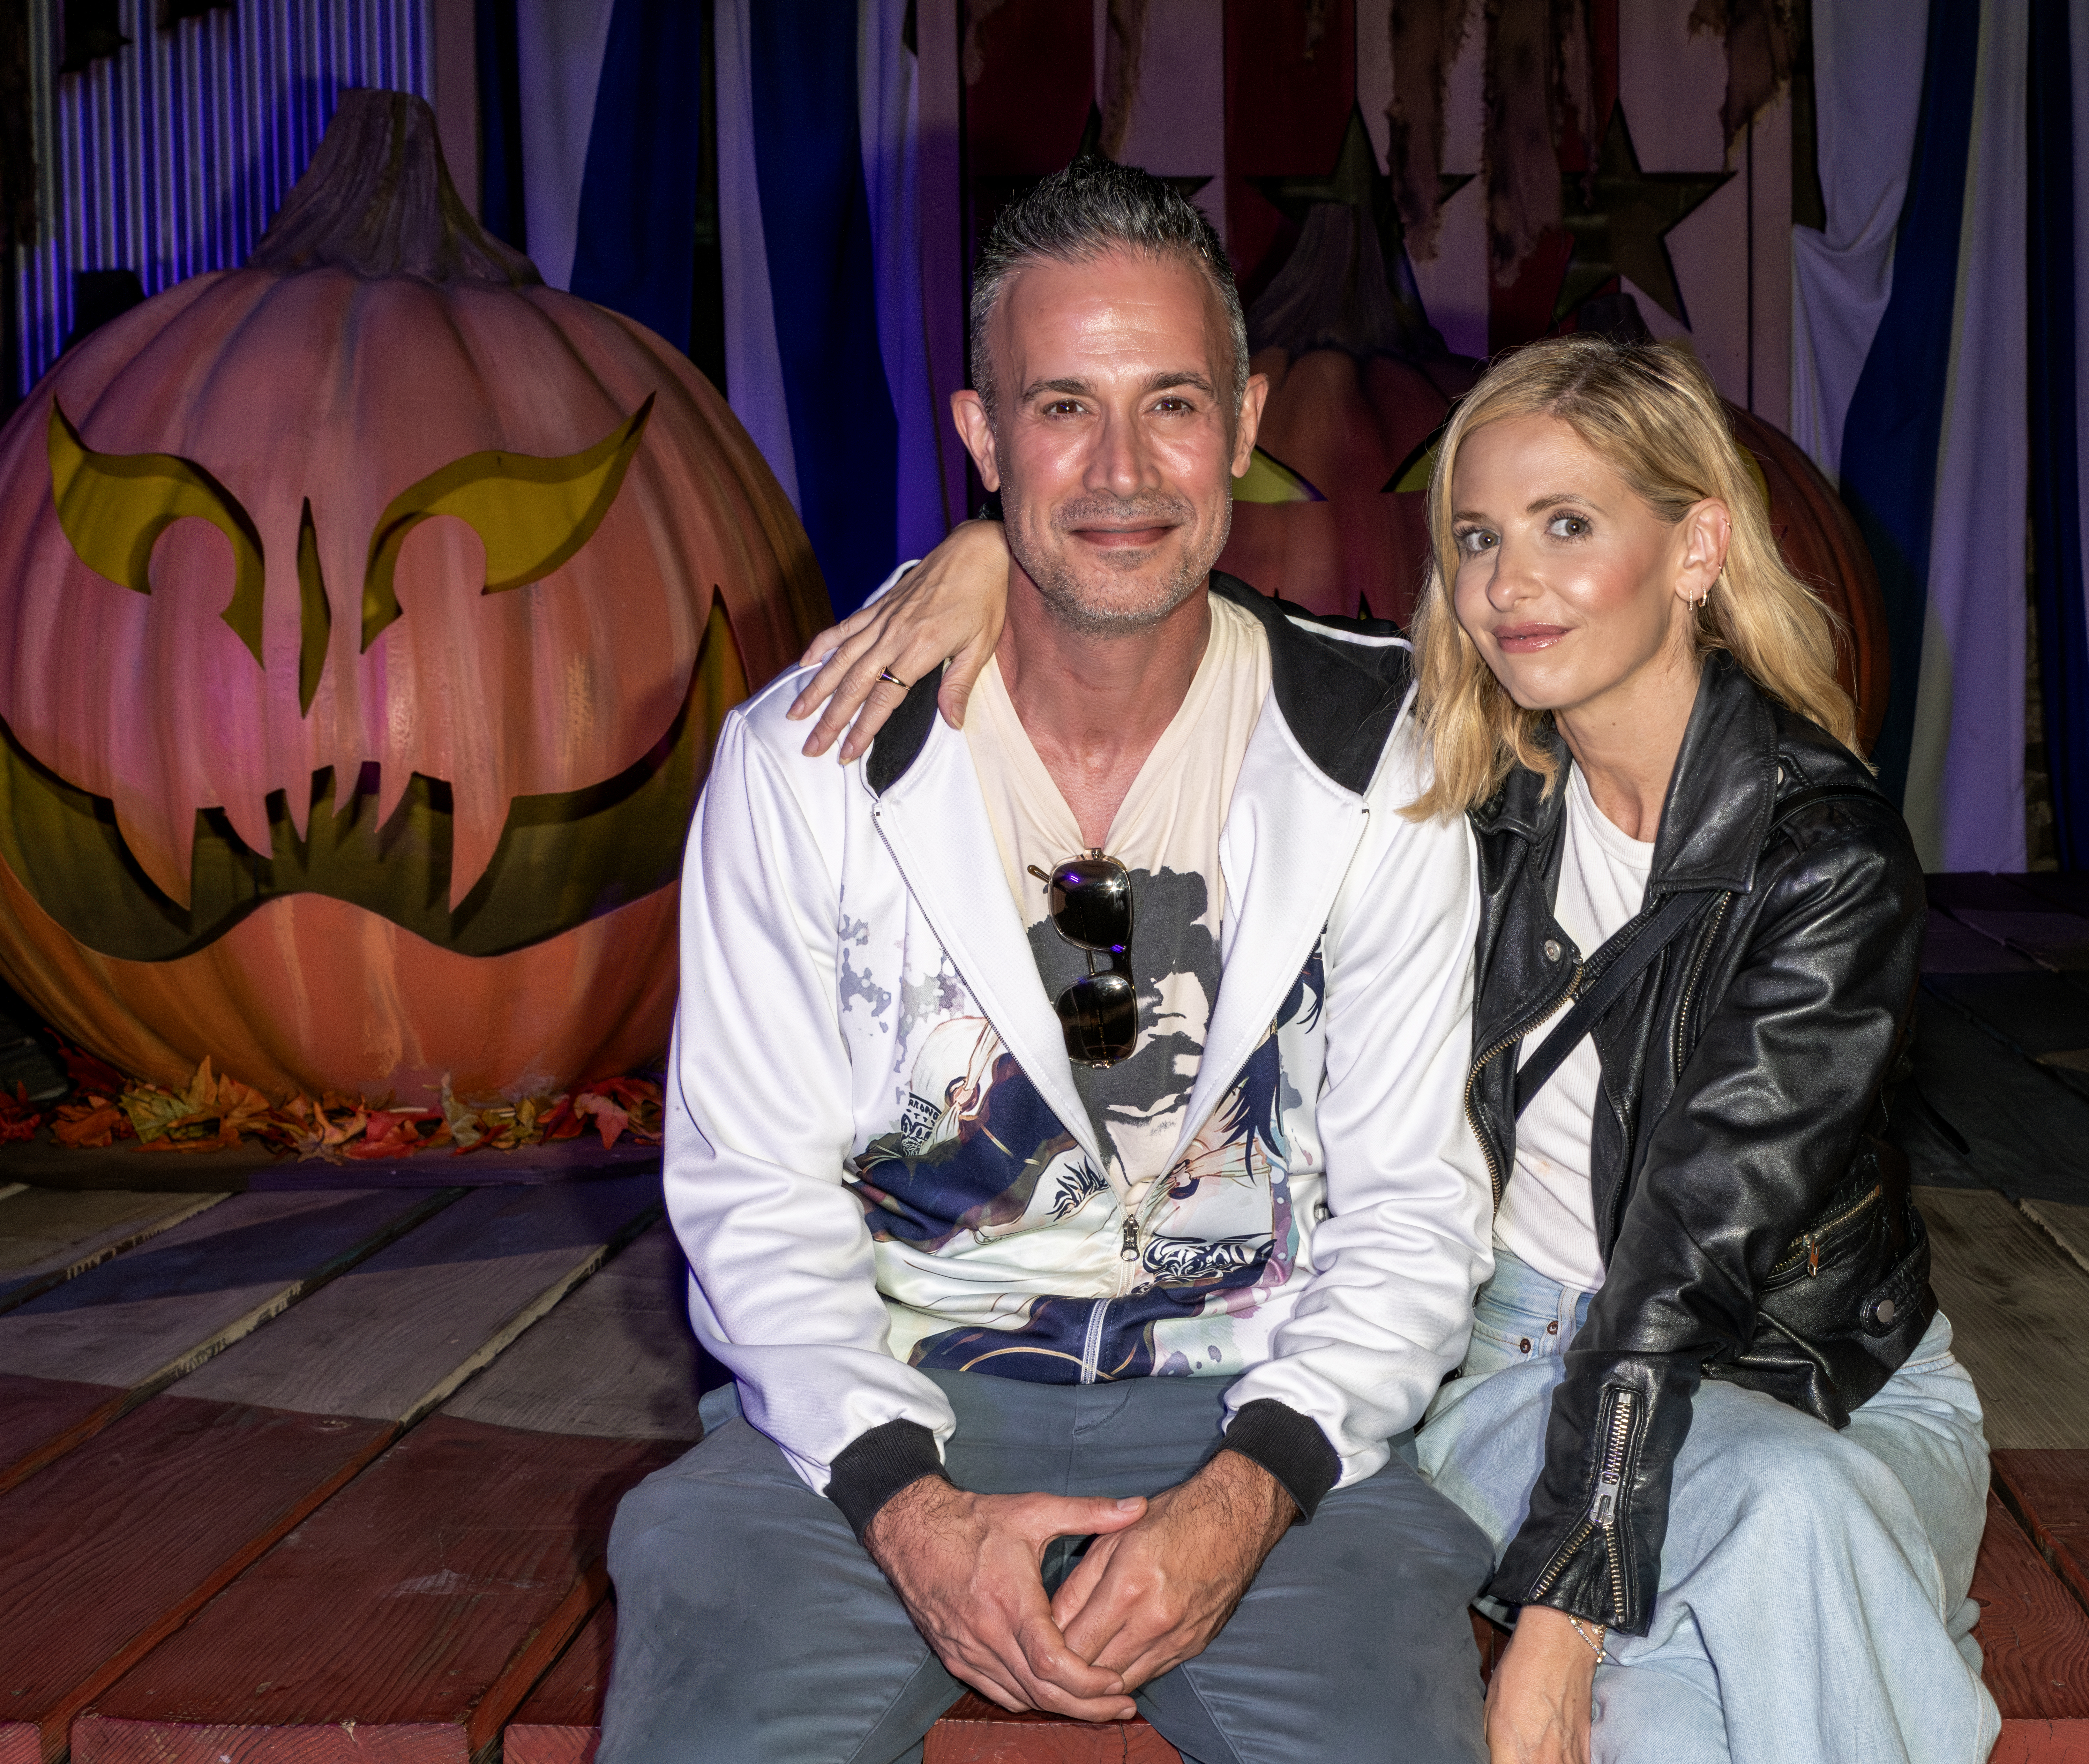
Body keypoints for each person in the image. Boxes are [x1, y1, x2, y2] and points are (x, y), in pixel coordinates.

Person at [795, 335, 1997, 1764]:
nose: (1510, 581)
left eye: (1568, 525)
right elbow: (1191, 618)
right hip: (1522, 1371)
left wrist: (1558, 1620)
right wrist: (999, 551)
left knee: (1759, 1567)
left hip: (1817, 1381)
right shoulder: (1453, 786)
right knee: (1789, 1546)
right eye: (1478, 537)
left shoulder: (1822, 852)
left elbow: (1698, 1242)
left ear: (1696, 547)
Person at [601, 158, 1497, 1764]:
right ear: (980, 437)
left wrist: (1248, 1491)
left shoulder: (1381, 757)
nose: (1119, 467)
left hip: (1264, 1406)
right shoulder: (809, 766)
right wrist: (912, 1510)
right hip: (885, 1398)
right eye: (1061, 405)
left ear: (1244, 419)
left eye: (1169, 404)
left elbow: (1416, 1200)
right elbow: (750, 1188)